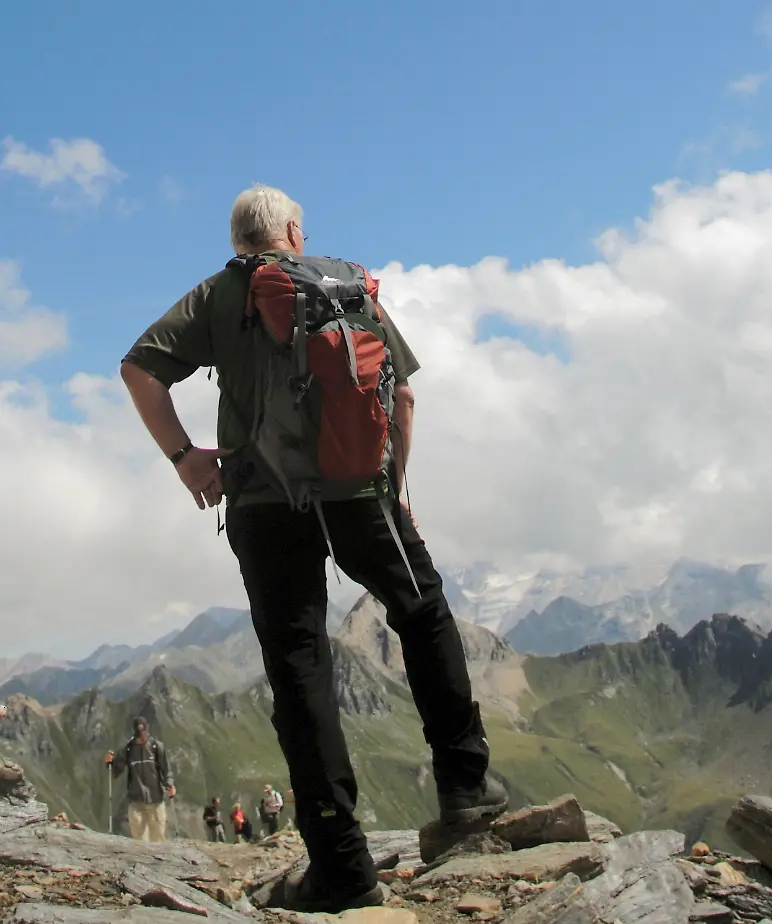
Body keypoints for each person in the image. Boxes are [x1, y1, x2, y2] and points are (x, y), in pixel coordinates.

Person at [119, 185, 507, 914]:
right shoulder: (347, 285)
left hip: (265, 503)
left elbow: (138, 369)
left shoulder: (219, 295)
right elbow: (405, 396)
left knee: (300, 666)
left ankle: (341, 863)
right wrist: (395, 487)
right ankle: (465, 791)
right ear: (294, 231)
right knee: (420, 614)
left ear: (238, 240)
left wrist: (184, 457)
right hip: (364, 496)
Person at [104, 716, 175, 843]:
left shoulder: (156, 747)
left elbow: (166, 769)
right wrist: (109, 762)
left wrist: (170, 785)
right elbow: (115, 770)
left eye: (143, 735)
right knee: (139, 842)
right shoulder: (128, 749)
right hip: (136, 803)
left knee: (158, 840)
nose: (141, 739)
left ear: (147, 731)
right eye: (138, 735)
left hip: (156, 801)